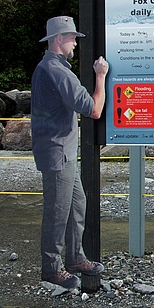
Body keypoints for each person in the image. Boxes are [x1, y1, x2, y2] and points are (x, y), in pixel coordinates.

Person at [31, 15, 109, 289]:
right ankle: (51, 268)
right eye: (73, 37)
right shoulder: (58, 71)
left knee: (77, 204)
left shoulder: (47, 67)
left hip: (58, 150)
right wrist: (101, 77)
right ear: (59, 39)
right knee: (57, 211)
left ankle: (76, 257)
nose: (76, 43)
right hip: (57, 154)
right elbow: (94, 109)